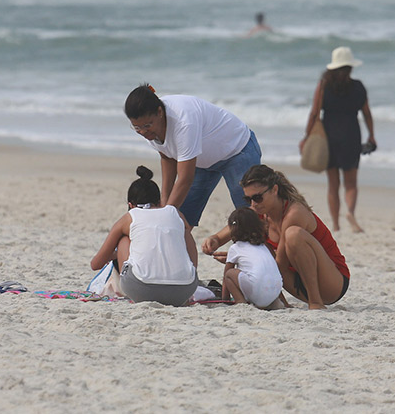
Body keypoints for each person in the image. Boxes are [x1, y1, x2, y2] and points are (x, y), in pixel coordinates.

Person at [203, 164, 350, 310]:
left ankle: (316, 303)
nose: (253, 204)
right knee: (255, 238)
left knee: (293, 234)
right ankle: (288, 302)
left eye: (258, 197)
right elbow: (234, 226)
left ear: (274, 190)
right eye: (248, 199)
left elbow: (278, 264)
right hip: (297, 281)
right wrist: (215, 239)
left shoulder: (294, 212)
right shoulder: (259, 212)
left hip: (332, 283)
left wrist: (246, 257)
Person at [124, 84, 262, 227]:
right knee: (182, 217)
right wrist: (165, 203)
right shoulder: (150, 128)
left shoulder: (183, 121)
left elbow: (185, 179)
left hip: (237, 150)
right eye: (137, 127)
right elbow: (167, 157)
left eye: (147, 126)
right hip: (200, 159)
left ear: (159, 112)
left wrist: (164, 215)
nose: (143, 132)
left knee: (250, 214)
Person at [90, 165, 198, 306]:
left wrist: (117, 254)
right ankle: (188, 272)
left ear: (130, 204)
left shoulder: (130, 216)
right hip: (184, 290)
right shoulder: (174, 213)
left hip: (141, 290)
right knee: (184, 233)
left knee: (123, 240)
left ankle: (126, 289)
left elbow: (96, 264)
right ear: (159, 202)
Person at [300, 46, 376, 233]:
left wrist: (306, 136)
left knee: (333, 184)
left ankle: (335, 224)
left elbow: (314, 113)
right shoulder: (358, 87)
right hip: (351, 135)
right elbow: (367, 113)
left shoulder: (324, 85)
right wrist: (371, 135)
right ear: (350, 67)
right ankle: (350, 212)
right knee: (351, 183)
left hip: (329, 136)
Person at [221, 207, 283, 308]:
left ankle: (241, 302)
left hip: (257, 292)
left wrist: (225, 298)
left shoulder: (235, 248)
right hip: (275, 290)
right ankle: (273, 303)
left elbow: (226, 277)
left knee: (230, 274)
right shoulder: (264, 246)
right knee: (265, 274)